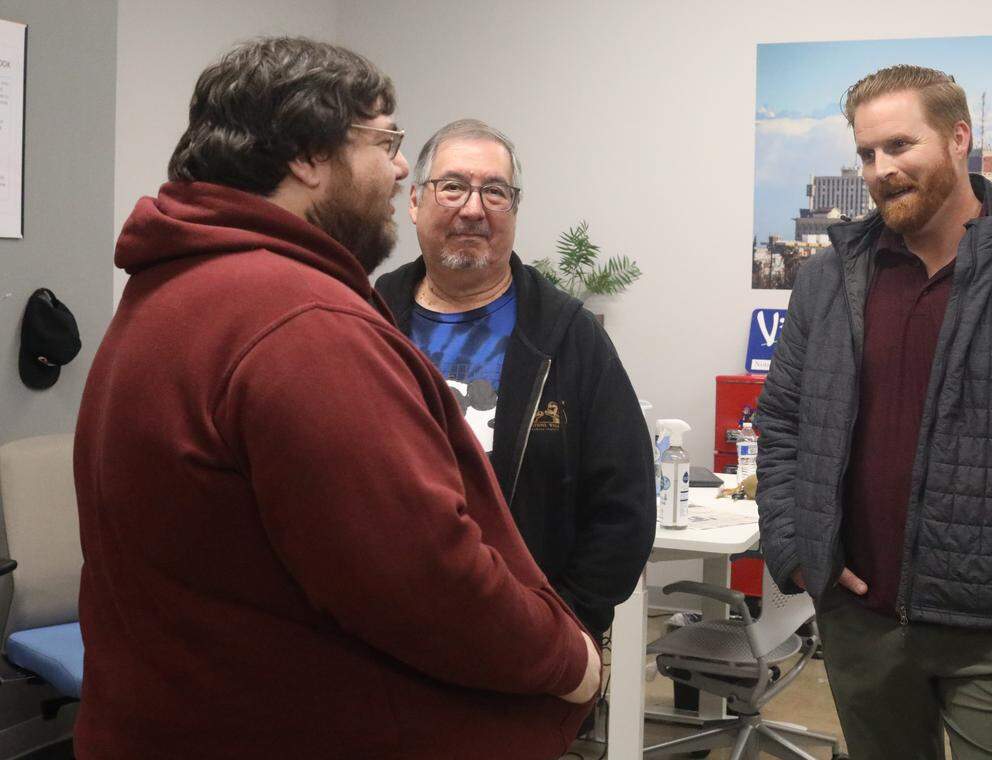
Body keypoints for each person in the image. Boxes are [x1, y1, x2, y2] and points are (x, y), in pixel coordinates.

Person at [73, 38, 599, 760]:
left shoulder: (176, 285)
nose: (397, 171)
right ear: (307, 156)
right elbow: (426, 580)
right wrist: (569, 661)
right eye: (385, 141)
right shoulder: (302, 325)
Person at [755, 64, 992, 760]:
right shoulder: (830, 277)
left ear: (959, 138)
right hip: (861, 623)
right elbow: (781, 427)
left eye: (900, 146)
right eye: (866, 153)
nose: (880, 169)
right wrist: (800, 549)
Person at [375, 119, 656, 646]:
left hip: (525, 641)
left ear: (515, 211)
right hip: (385, 639)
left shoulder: (569, 336)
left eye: (495, 192)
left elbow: (626, 505)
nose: (474, 209)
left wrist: (566, 624)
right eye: (453, 186)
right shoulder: (367, 319)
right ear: (415, 201)